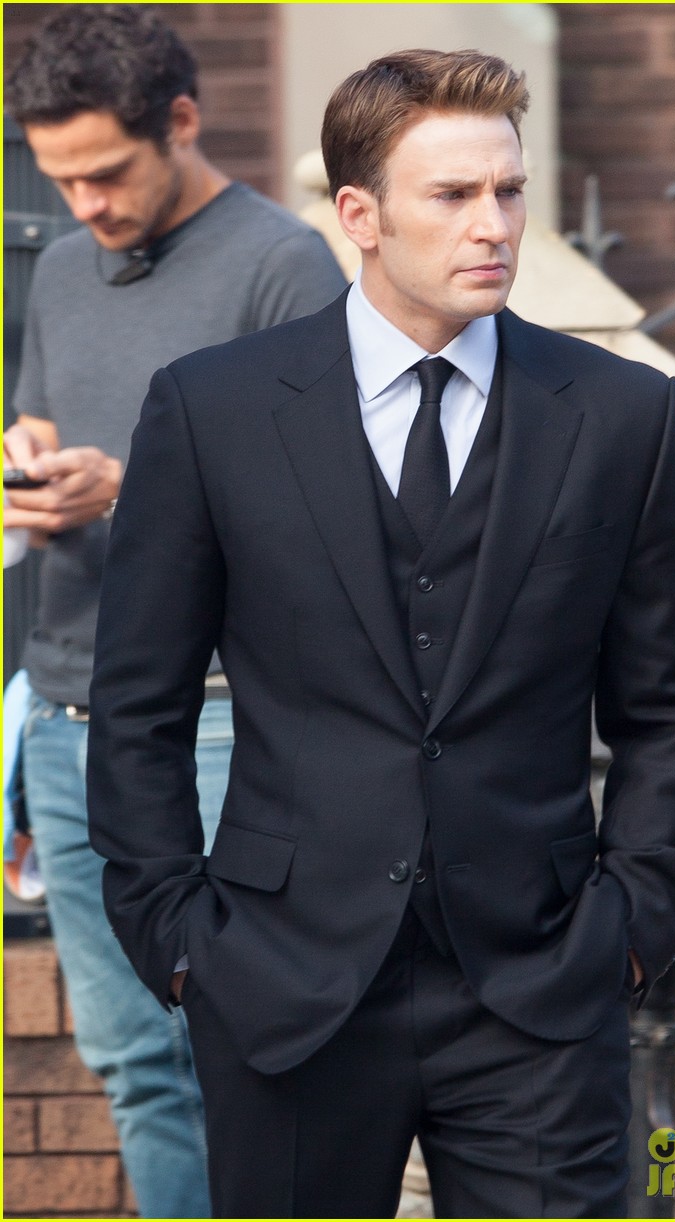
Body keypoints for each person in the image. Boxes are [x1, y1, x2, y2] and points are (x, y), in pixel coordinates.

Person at [87, 48, 675, 1219]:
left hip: (541, 988)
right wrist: (178, 941)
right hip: (281, 984)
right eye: (453, 194)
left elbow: (672, 700)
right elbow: (139, 703)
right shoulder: (214, 408)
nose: (494, 224)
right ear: (359, 215)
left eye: (509, 190)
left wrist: (633, 925)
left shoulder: (622, 414)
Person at [3, 6, 344, 1217]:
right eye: (60, 179)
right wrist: (32, 467)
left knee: (242, 1052)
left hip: (215, 724)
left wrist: (130, 488)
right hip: (64, 718)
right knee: (135, 1067)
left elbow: (322, 515)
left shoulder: (283, 266)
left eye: (105, 172)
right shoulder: (60, 268)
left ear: (182, 121)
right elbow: (46, 421)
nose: (84, 204)